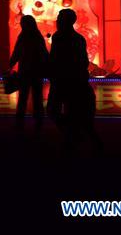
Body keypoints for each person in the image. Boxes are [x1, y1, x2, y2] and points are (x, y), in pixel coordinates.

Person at [49, 9, 102, 150]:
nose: (57, 21)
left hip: (63, 81)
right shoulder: (78, 38)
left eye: (59, 18)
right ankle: (77, 138)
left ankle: (72, 138)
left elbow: (55, 59)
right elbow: (83, 61)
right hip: (76, 81)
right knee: (76, 115)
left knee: (55, 110)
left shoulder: (58, 37)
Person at [7, 15, 48, 129]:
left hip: (24, 72)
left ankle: (20, 121)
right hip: (37, 72)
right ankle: (38, 121)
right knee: (37, 98)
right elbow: (44, 54)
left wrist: (10, 64)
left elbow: (17, 52)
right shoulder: (38, 36)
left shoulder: (22, 36)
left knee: (22, 98)